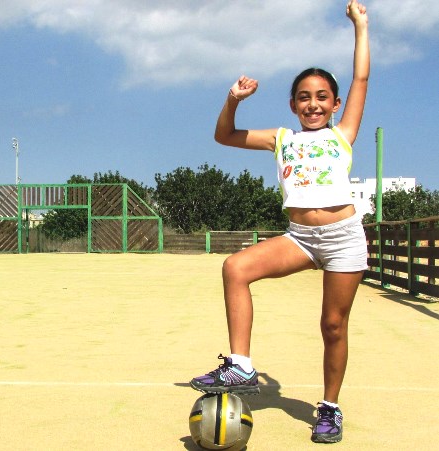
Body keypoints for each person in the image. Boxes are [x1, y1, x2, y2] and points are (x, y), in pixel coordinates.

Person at [189, 0, 369, 444]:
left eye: (321, 97)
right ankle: (242, 366)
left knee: (332, 325)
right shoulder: (282, 139)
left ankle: (329, 409)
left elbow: (361, 76)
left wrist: (360, 27)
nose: (313, 104)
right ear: (293, 104)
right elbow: (224, 136)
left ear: (335, 104)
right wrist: (233, 99)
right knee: (235, 267)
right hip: (302, 238)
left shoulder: (342, 134)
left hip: (343, 239)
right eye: (304, 97)